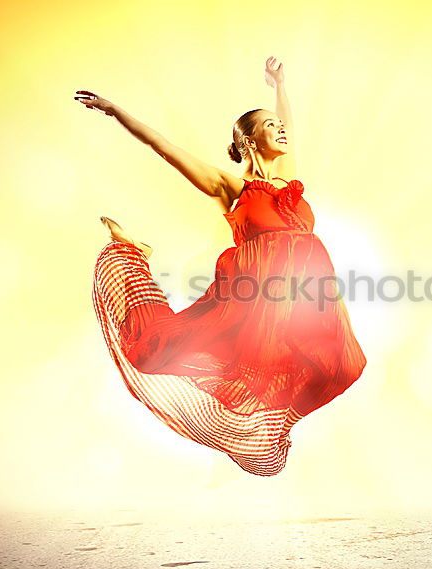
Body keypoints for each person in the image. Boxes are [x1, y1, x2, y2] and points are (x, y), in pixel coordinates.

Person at [77, 56, 367, 476]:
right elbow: (163, 146)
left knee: (343, 366)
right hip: (253, 297)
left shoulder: (289, 179)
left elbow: (290, 121)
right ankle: (131, 253)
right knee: (163, 350)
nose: (281, 129)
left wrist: (278, 85)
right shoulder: (230, 187)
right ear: (249, 140)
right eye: (270, 125)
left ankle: (274, 426)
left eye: (279, 124)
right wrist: (115, 110)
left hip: (308, 295)